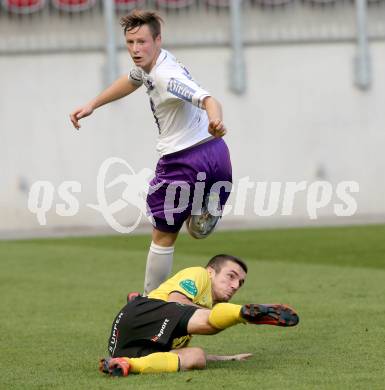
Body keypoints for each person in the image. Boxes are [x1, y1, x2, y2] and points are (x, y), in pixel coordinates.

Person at [70, 10, 233, 295]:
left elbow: (209, 99)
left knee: (162, 235)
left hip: (184, 160)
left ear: (158, 39)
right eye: (130, 42)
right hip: (217, 154)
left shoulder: (165, 75)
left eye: (142, 42)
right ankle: (205, 206)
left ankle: (152, 304)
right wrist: (93, 104)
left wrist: (216, 121)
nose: (135, 49)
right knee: (193, 231)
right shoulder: (155, 62)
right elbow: (133, 79)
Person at [99, 254, 299, 376]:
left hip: (128, 347)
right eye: (231, 276)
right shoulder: (199, 274)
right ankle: (241, 313)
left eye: (240, 283)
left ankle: (126, 365)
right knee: (210, 322)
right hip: (141, 312)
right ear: (211, 271)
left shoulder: (202, 310)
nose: (235, 285)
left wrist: (228, 359)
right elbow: (176, 301)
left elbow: (176, 344)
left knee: (197, 357)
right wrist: (218, 316)